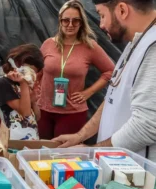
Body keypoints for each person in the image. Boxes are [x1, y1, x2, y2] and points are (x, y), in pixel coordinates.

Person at [53, 0, 156, 161]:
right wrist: (80, 135)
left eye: (102, 15)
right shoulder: (135, 43)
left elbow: (147, 125)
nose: (100, 24)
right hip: (118, 167)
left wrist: (94, 151)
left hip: (139, 177)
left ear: (122, 10)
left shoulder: (152, 48)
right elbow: (112, 98)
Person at [34, 0, 114, 140]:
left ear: (81, 22)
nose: (70, 25)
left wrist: (88, 92)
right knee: (41, 152)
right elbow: (38, 70)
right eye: (66, 20)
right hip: (43, 110)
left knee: (63, 154)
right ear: (60, 21)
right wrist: (36, 88)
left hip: (72, 112)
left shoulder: (90, 46)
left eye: (75, 21)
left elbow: (110, 71)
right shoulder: (48, 44)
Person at [0, 44, 44, 140]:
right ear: (17, 64)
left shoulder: (24, 85)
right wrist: (23, 83)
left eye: (34, 73)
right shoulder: (3, 83)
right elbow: (25, 113)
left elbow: (36, 118)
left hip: (32, 137)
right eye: (29, 70)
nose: (30, 75)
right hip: (15, 139)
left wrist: (33, 101)